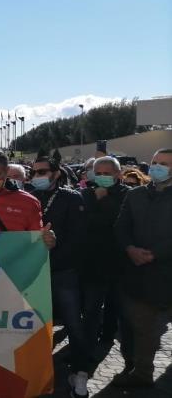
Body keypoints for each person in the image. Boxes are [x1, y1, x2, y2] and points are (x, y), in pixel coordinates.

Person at [110, 148, 172, 389]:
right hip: (140, 275)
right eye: (155, 162)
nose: (157, 167)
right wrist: (130, 249)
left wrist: (156, 254)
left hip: (166, 271)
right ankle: (142, 373)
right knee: (142, 329)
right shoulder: (135, 195)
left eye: (164, 164)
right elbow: (120, 227)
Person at [29, 156, 89, 397]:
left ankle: (80, 372)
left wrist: (55, 248)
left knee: (74, 323)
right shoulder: (29, 195)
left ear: (55, 173)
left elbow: (79, 238)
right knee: (32, 325)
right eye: (34, 172)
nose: (37, 176)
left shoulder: (71, 198)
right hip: (32, 273)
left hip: (62, 272)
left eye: (42, 171)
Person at [80, 156, 131, 371]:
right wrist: (95, 202)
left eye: (106, 173)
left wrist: (103, 201)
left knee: (115, 307)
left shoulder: (129, 195)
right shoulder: (85, 194)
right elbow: (84, 222)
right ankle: (86, 348)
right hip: (93, 262)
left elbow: (118, 223)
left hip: (120, 262)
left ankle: (108, 339)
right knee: (90, 309)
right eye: (97, 173)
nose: (101, 177)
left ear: (118, 175)